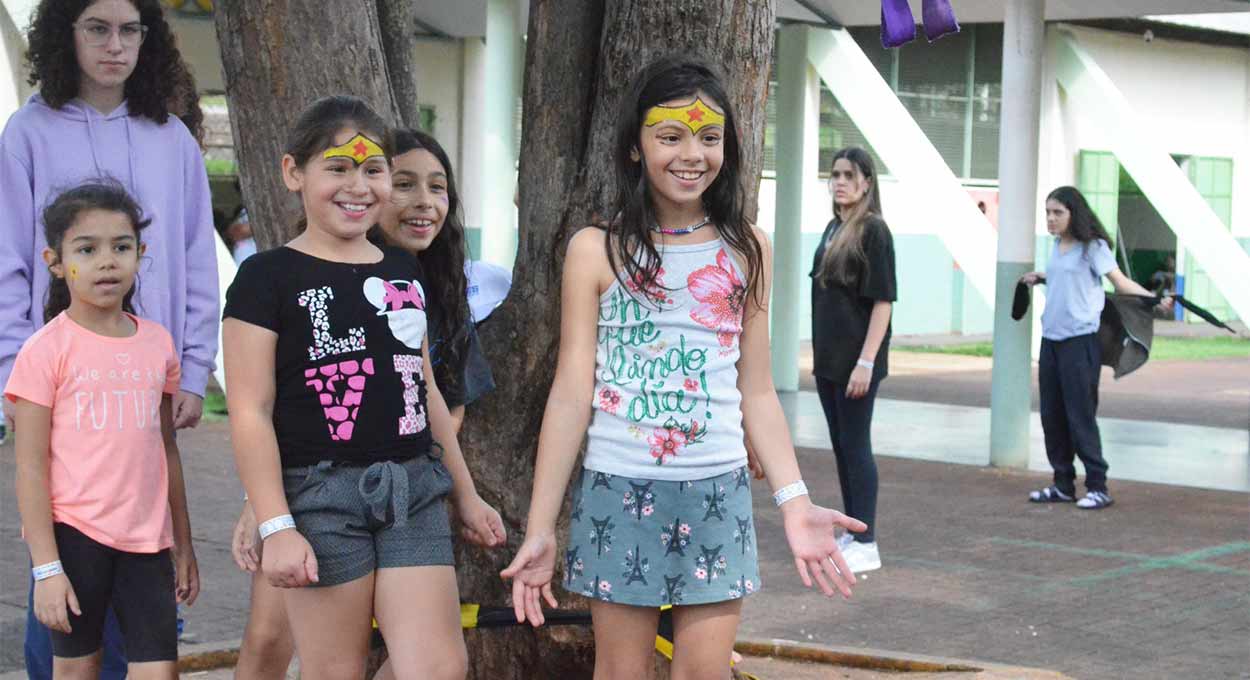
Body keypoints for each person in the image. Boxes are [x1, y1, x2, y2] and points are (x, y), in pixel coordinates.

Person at [500, 57, 866, 679]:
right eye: (670, 136)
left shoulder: (748, 248)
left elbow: (757, 392)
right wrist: (540, 527)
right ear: (635, 146)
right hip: (617, 491)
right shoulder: (596, 250)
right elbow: (571, 393)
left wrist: (795, 501)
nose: (692, 154)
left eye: (709, 137)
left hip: (718, 493)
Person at [222, 95, 506, 680]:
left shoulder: (401, 270)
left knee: (438, 667)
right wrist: (276, 524)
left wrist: (466, 493)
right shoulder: (265, 278)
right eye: (338, 168)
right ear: (294, 173)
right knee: (336, 670)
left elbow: (423, 387)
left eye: (373, 169)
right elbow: (251, 410)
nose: (358, 186)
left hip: (412, 491)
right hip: (319, 498)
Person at [0, 1, 218, 676]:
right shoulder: (28, 132)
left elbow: (197, 260)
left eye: (130, 30)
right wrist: (14, 373)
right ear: (65, 34)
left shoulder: (173, 140)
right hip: (61, 385)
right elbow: (8, 262)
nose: (115, 46)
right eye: (97, 28)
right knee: (66, 580)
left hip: (149, 376)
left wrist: (194, 368)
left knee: (144, 551)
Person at [8, 181, 199, 680]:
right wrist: (46, 568)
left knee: (159, 671)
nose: (107, 262)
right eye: (87, 250)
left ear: (140, 253)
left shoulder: (157, 344)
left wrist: (183, 543)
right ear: (56, 262)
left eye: (121, 247)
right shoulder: (44, 351)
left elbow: (166, 449)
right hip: (75, 539)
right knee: (76, 671)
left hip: (148, 543)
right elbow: (30, 468)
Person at [1021, 186, 1172, 510]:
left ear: (1073, 213)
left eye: (1058, 212)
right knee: (1052, 416)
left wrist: (1154, 301)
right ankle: (1063, 484)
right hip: (1051, 341)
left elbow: (1120, 282)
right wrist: (1042, 277)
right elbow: (1068, 279)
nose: (1051, 218)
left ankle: (1098, 486)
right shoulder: (1057, 246)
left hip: (1079, 342)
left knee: (1080, 416)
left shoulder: (1094, 247)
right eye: (1048, 212)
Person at [809, 147, 896, 574]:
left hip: (856, 364)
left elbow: (883, 302)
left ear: (867, 183)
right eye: (835, 174)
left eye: (849, 175)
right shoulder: (833, 227)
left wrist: (866, 362)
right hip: (829, 361)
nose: (840, 182)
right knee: (842, 446)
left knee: (857, 446)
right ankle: (853, 528)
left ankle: (867, 540)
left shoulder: (873, 231)